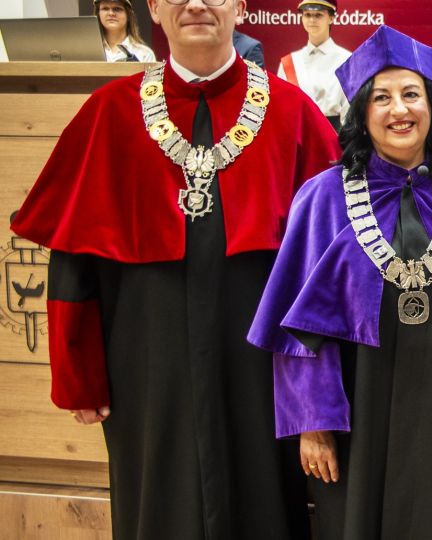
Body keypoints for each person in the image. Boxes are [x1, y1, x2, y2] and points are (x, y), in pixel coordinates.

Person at [10, 0, 341, 537]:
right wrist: (80, 375)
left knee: (263, 503)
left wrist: (320, 390)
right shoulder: (108, 111)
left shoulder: (292, 112)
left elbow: (328, 270)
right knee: (156, 502)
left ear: (238, 6)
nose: (195, 3)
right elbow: (73, 258)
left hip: (265, 364)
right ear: (157, 9)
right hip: (144, 357)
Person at [248, 25, 432, 539]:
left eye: (411, 95)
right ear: (363, 115)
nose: (398, 110)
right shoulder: (322, 198)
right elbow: (297, 333)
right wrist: (312, 424)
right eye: (381, 98)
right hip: (355, 411)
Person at [278, 0, 351, 129]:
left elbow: (350, 111)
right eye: (307, 15)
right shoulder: (289, 63)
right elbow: (282, 109)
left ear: (331, 18)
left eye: (318, 15)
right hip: (298, 137)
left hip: (336, 138)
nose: (312, 20)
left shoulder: (347, 60)